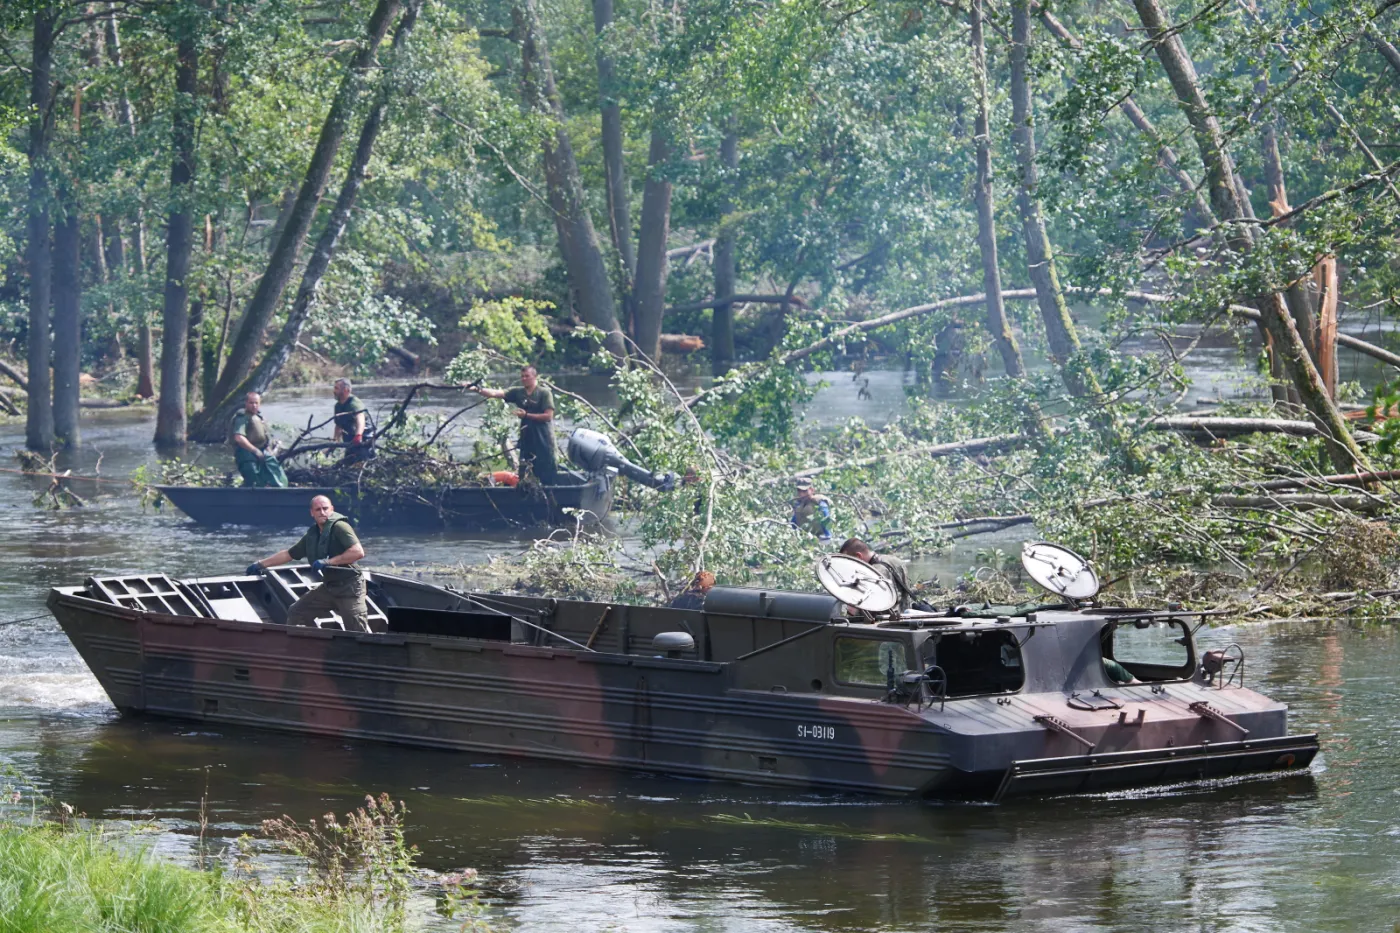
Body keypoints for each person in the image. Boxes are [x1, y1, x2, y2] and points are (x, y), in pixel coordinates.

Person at [245, 495, 368, 631]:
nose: (322, 512)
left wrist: (329, 562)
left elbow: (358, 552)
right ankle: (301, 646)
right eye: (318, 509)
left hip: (349, 588)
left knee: (356, 629)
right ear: (312, 513)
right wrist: (261, 564)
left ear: (332, 509)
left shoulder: (340, 527)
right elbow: (289, 554)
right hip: (329, 587)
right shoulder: (313, 534)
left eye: (325, 508)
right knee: (296, 611)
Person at [472, 365, 558, 485]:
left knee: (547, 470)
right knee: (525, 471)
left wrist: (526, 415)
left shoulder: (544, 393)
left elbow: (548, 416)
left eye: (527, 376)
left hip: (543, 438)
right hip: (527, 438)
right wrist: (478, 389)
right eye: (522, 376)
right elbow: (495, 393)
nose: (524, 379)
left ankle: (552, 495)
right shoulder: (518, 392)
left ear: (535, 377)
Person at [839, 537, 914, 614]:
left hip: (888, 621)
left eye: (849, 561)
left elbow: (866, 607)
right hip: (906, 615)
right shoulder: (894, 560)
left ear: (858, 557)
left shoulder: (872, 573)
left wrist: (845, 609)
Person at [229, 392, 288, 488]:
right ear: (246, 403)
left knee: (279, 477)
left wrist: (269, 451)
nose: (254, 405)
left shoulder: (259, 418)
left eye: (256, 403)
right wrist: (255, 450)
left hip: (262, 451)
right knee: (254, 481)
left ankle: (280, 493)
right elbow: (239, 438)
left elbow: (264, 438)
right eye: (251, 403)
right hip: (246, 453)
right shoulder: (242, 417)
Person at [332, 378, 371, 464]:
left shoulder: (354, 403)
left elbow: (360, 418)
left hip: (364, 440)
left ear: (346, 390)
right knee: (346, 464)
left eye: (337, 388)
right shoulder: (338, 406)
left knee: (365, 463)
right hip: (350, 441)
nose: (334, 391)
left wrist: (358, 435)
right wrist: (334, 442)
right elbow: (338, 426)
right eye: (334, 388)